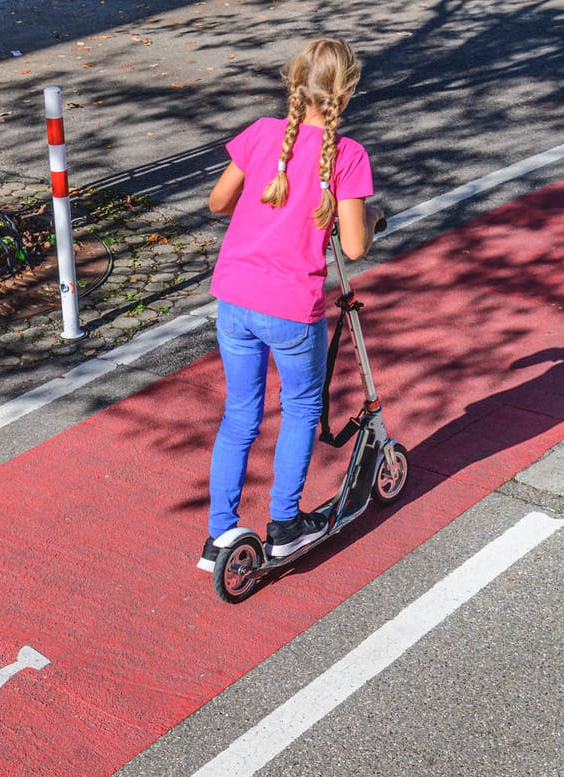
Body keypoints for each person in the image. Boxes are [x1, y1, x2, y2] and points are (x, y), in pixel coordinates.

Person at [199, 38, 380, 572]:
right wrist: (370, 218)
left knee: (240, 415)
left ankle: (219, 534)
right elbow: (353, 246)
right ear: (346, 93)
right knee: (300, 408)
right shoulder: (348, 156)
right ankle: (283, 523)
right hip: (290, 310)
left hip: (234, 299)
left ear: (294, 84)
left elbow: (217, 202)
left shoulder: (259, 135)